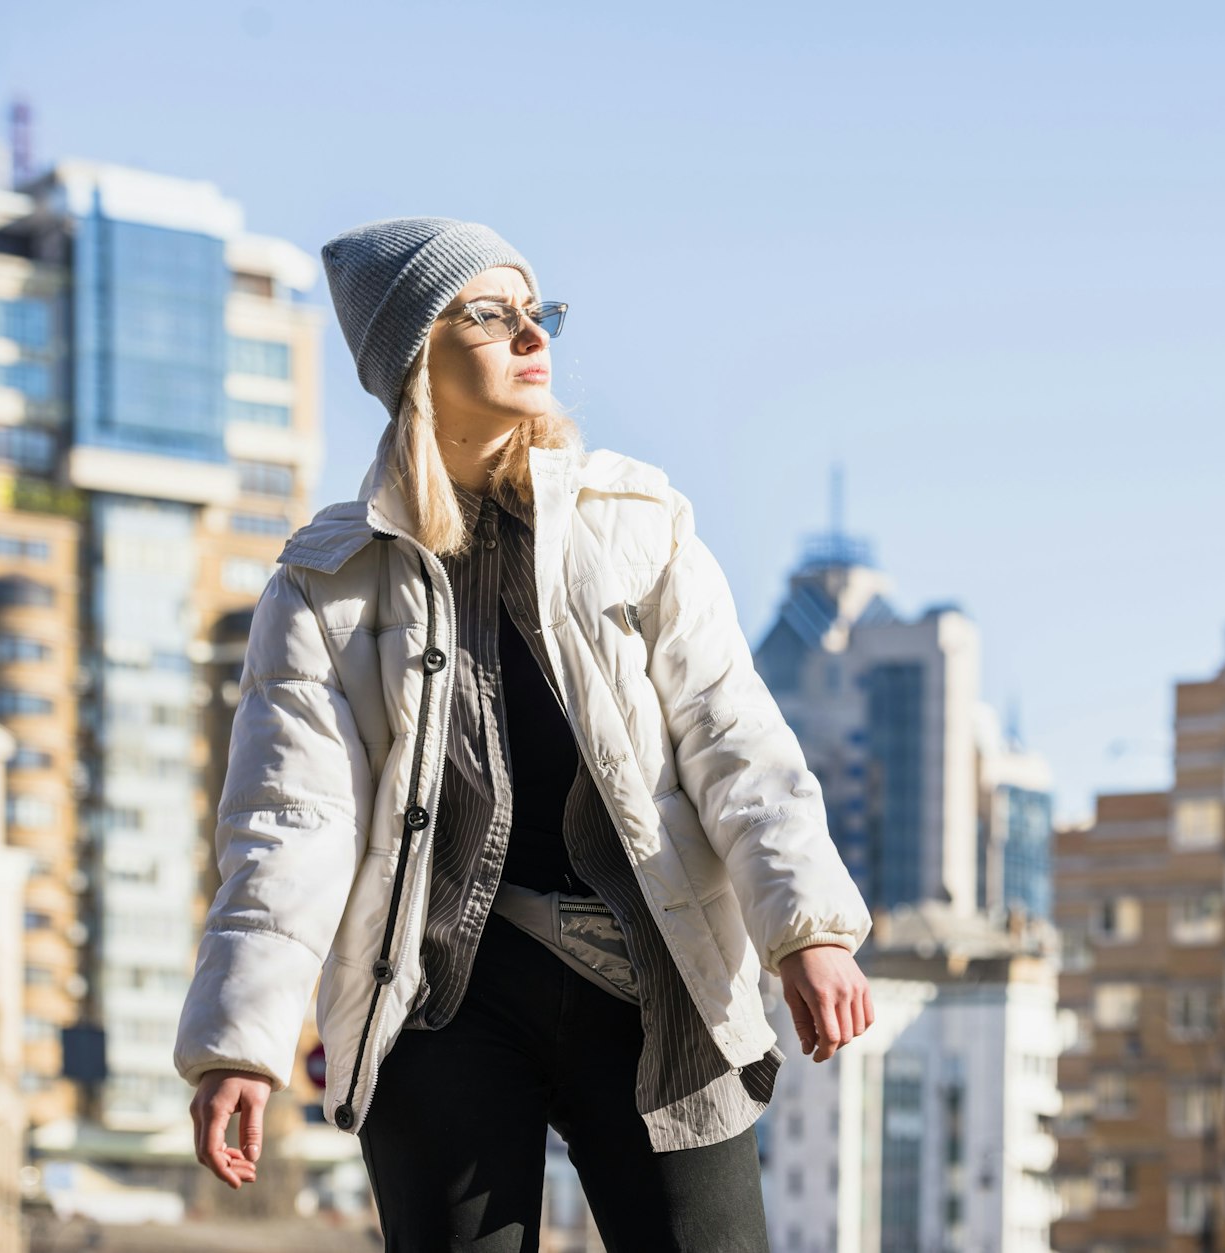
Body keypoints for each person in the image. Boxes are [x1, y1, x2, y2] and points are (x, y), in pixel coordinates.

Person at [172, 216, 875, 1252]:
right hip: (436, 1000)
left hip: (654, 982)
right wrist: (241, 1042)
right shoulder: (324, 587)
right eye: (490, 314)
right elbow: (290, 822)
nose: (531, 335)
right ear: (414, 353)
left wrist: (806, 927)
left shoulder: (639, 523)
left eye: (536, 311)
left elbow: (733, 738)